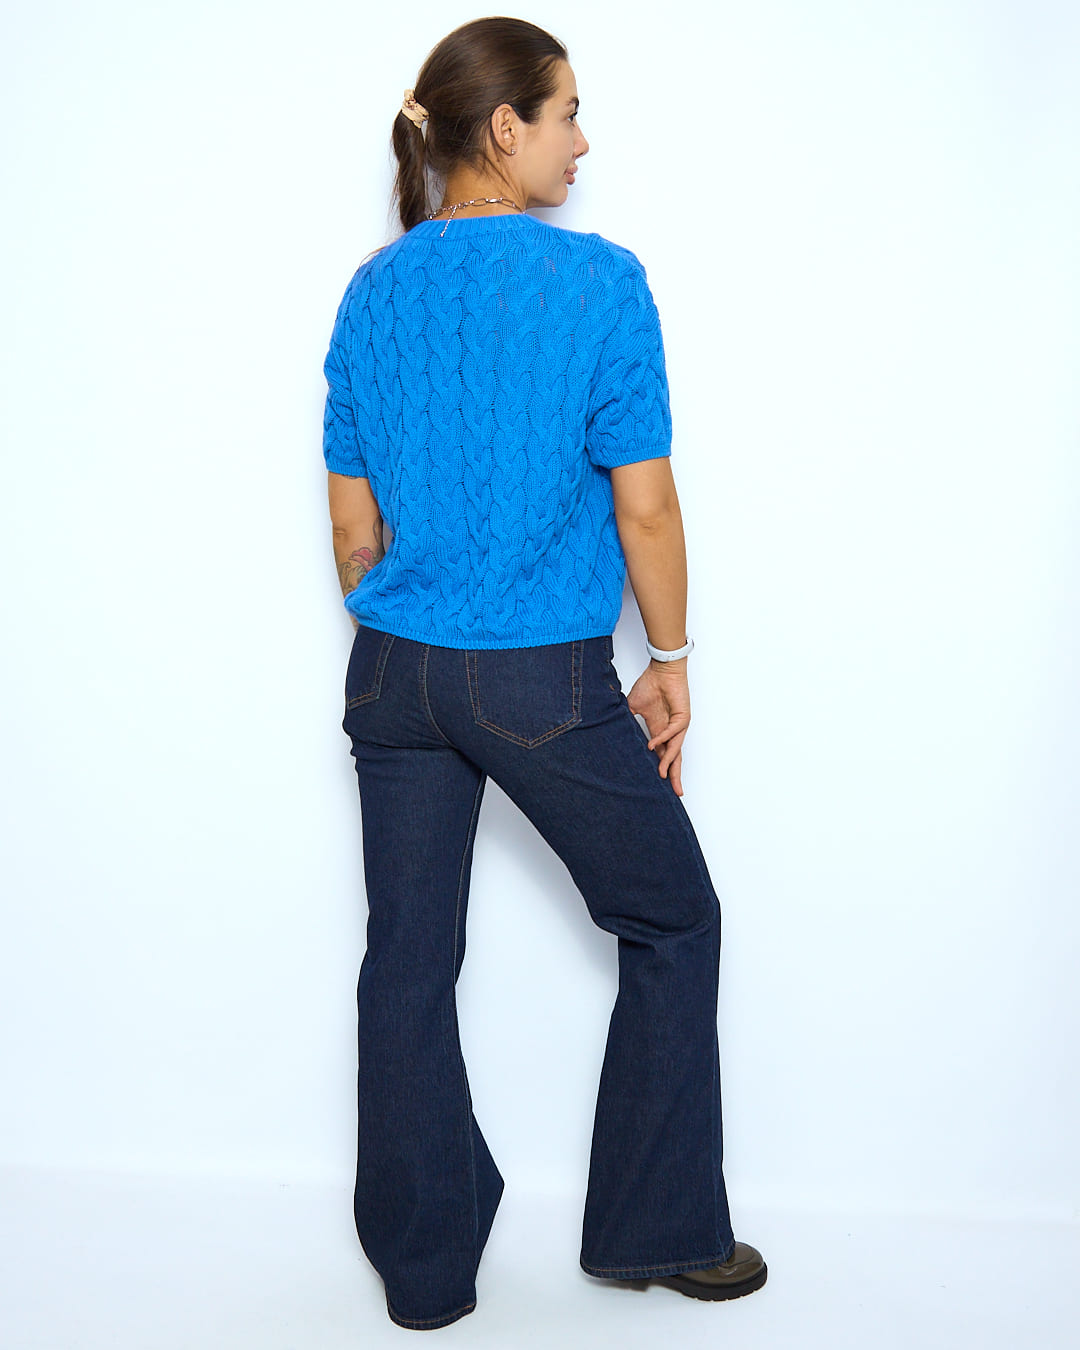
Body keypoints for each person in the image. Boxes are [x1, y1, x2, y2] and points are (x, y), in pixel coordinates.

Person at [321, 16, 767, 1331]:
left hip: (393, 676)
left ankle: (424, 1273)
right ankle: (652, 1229)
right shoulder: (600, 284)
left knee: (407, 962)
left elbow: (352, 533)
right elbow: (647, 506)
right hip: (543, 680)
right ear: (505, 126)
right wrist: (668, 659)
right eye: (568, 111)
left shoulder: (372, 291)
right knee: (673, 920)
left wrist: (413, 624)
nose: (583, 140)